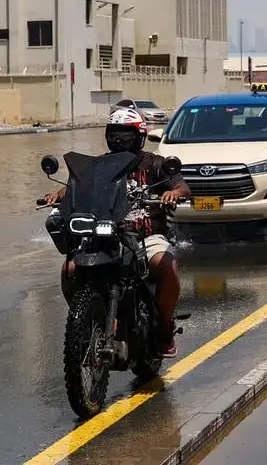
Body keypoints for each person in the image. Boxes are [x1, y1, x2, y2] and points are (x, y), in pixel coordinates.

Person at [44, 108, 192, 358]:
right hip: (107, 234)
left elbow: (182, 186)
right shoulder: (100, 166)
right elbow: (78, 186)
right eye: (114, 134)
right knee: (69, 269)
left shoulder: (155, 163)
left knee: (166, 265)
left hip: (146, 235)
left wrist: (173, 194)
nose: (119, 140)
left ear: (140, 136)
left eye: (125, 134)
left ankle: (165, 329)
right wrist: (59, 195)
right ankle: (87, 323)